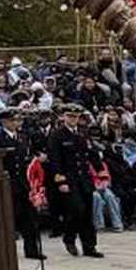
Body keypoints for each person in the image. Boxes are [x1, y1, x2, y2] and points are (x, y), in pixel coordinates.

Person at [47, 104, 103, 257]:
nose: (73, 119)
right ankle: (69, 238)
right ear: (64, 117)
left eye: (76, 117)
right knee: (76, 210)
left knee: (87, 214)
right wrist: (60, 181)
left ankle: (89, 246)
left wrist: (100, 170)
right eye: (70, 116)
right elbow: (55, 160)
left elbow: (91, 153)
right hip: (69, 179)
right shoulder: (57, 135)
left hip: (84, 178)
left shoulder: (83, 133)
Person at [0, 107, 43, 259]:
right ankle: (5, 251)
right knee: (8, 217)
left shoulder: (23, 137)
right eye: (13, 120)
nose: (16, 123)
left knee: (30, 218)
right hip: (8, 183)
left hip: (24, 183)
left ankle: (32, 250)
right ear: (4, 122)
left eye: (18, 120)